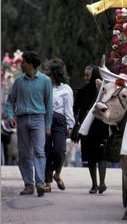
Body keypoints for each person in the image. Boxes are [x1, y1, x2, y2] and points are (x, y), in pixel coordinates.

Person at [5, 51, 53, 197]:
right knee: (24, 154)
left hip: (39, 119)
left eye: (23, 62)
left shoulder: (45, 81)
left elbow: (49, 105)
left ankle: (39, 183)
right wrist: (10, 116)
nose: (21, 64)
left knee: (39, 152)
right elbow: (10, 101)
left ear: (30, 64)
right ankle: (28, 185)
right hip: (22, 120)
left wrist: (48, 125)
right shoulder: (19, 81)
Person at [73, 65, 109, 194]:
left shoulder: (103, 92)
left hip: (100, 127)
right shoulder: (82, 91)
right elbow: (76, 108)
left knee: (101, 156)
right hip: (86, 128)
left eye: (88, 75)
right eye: (85, 75)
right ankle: (94, 184)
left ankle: (102, 182)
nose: (85, 78)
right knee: (90, 157)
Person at [43, 59, 75, 192]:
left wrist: (70, 126)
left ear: (55, 73)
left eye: (48, 70)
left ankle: (57, 174)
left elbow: (69, 109)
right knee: (46, 151)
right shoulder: (44, 86)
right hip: (45, 120)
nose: (45, 72)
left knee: (59, 151)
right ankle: (47, 182)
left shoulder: (66, 89)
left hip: (60, 122)